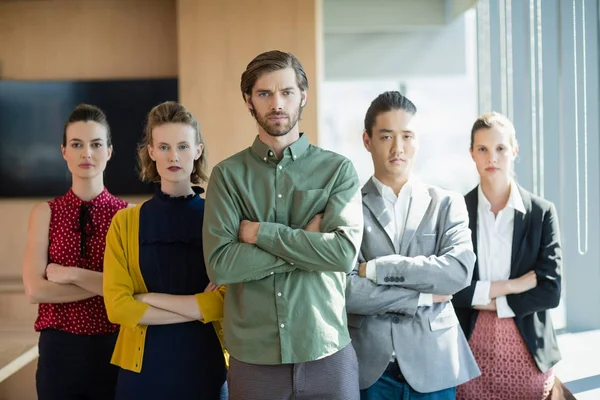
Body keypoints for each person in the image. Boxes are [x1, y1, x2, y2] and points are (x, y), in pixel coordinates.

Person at [202, 50, 364, 400]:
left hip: (327, 352)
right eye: (264, 93)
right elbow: (221, 264)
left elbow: (342, 254)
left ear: (302, 96)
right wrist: (306, 244)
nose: (277, 103)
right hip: (252, 360)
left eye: (287, 92)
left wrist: (260, 234)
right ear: (249, 100)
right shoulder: (227, 177)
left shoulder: (338, 171)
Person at [345, 91, 481, 400]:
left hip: (434, 365)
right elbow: (346, 290)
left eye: (407, 136)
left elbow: (458, 272)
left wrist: (378, 268)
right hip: (369, 369)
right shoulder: (347, 207)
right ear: (367, 141)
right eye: (387, 136)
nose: (398, 148)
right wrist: (421, 297)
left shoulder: (447, 203)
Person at [103, 101, 228, 399]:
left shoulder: (221, 218)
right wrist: (198, 308)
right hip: (143, 373)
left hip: (204, 367)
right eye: (164, 147)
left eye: (183, 146)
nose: (174, 156)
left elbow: (226, 303)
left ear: (197, 150)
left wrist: (149, 300)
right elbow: (118, 307)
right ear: (151, 151)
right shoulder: (125, 222)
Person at [453, 112, 562, 400]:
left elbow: (550, 292)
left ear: (514, 150)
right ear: (472, 154)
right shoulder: (456, 212)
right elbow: (451, 291)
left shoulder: (542, 213)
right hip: (469, 356)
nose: (492, 157)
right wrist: (512, 286)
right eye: (483, 149)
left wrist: (491, 303)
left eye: (500, 148)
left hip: (529, 356)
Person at [22, 104, 128, 400]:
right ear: (63, 151)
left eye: (95, 144)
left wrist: (70, 274)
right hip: (60, 351)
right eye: (77, 145)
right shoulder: (44, 212)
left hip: (117, 346)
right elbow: (35, 290)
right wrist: (108, 286)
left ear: (109, 151)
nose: (86, 154)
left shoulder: (128, 216)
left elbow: (131, 290)